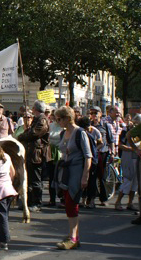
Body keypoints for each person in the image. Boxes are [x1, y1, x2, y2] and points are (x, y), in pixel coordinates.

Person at [55, 106, 92, 250]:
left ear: (67, 118)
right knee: (68, 203)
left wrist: (85, 176)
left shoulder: (80, 133)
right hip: (65, 171)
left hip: (77, 171)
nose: (57, 122)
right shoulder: (63, 133)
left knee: (72, 203)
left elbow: (88, 156)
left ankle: (73, 238)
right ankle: (73, 235)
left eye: (59, 119)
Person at [17, 100, 50, 212]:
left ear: (35, 108)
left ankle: (37, 203)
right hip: (31, 153)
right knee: (30, 179)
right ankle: (29, 202)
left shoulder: (42, 120)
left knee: (36, 179)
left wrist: (22, 136)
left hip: (37, 154)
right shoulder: (37, 119)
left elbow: (34, 133)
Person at [114, 114, 141, 211]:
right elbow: (120, 144)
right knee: (128, 180)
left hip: (138, 158)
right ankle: (118, 201)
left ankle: (130, 202)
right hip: (128, 158)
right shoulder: (126, 130)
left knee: (135, 182)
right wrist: (133, 149)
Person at [88, 106, 114, 207]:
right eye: (92, 113)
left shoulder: (105, 125)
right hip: (91, 153)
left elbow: (110, 140)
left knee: (102, 176)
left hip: (103, 153)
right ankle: (91, 199)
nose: (94, 115)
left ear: (100, 113)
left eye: (96, 113)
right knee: (92, 176)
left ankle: (103, 198)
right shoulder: (89, 126)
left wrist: (112, 153)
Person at [47, 109, 64, 206]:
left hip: (60, 153)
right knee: (51, 176)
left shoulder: (63, 127)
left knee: (60, 177)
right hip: (51, 152)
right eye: (54, 116)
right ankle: (52, 199)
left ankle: (62, 198)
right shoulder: (51, 126)